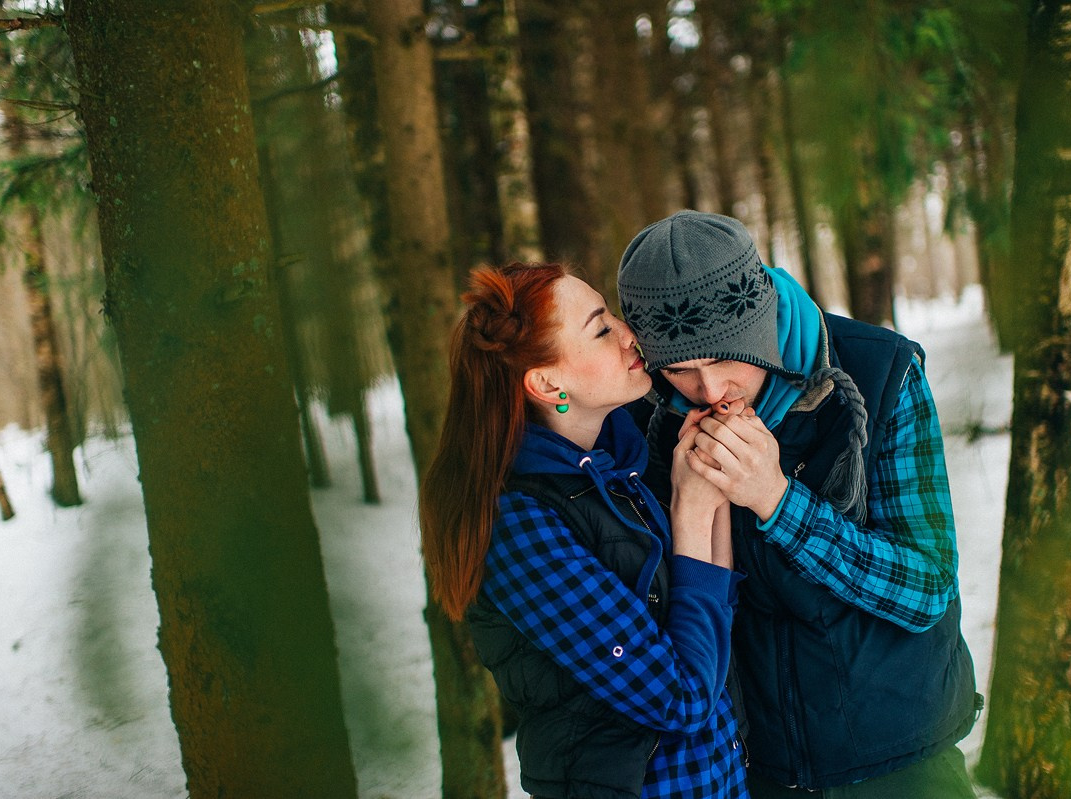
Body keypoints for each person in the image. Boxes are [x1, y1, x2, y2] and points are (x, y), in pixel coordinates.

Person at [617, 211, 983, 798]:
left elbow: (927, 587)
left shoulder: (880, 371)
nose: (708, 391)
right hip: (756, 763)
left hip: (900, 755)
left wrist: (776, 500)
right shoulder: (647, 415)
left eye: (722, 358)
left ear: (760, 325)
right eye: (681, 369)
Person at [419, 262, 750, 798]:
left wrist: (706, 492)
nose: (629, 335)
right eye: (601, 329)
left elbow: (713, 611)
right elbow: (681, 698)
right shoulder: (517, 528)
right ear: (549, 383)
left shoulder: (616, 467)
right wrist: (690, 510)